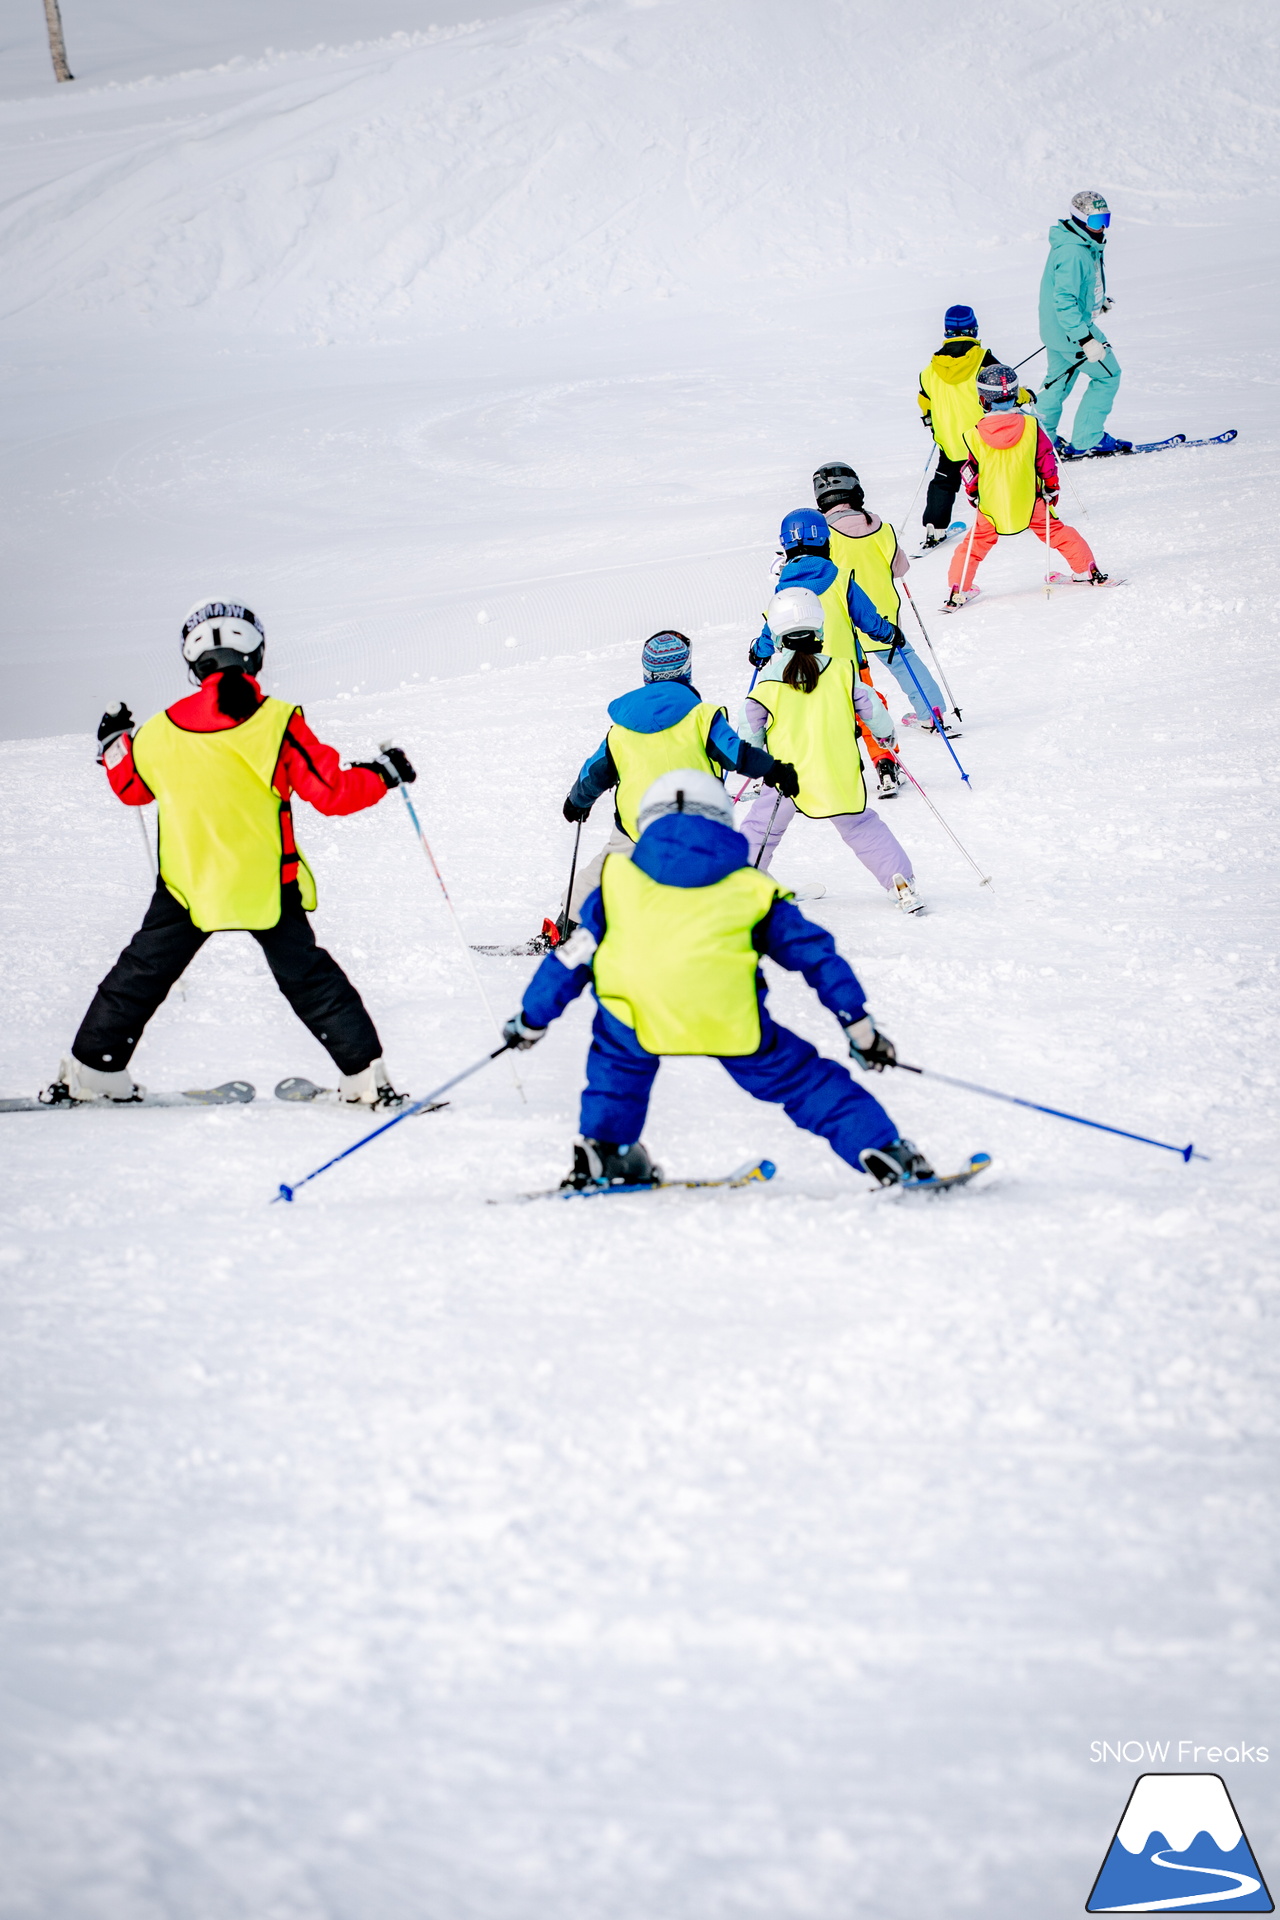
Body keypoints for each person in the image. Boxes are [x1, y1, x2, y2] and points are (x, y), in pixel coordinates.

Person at [48, 598, 417, 1107]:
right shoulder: (277, 722)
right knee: (310, 979)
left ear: (194, 664)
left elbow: (131, 788)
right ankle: (365, 1079)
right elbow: (333, 793)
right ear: (256, 656)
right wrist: (383, 773)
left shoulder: (159, 730)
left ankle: (93, 1072)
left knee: (142, 974)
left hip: (188, 886)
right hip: (265, 884)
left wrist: (115, 743)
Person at [502, 768, 936, 1191]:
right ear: (723, 820)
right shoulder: (751, 889)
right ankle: (883, 1149)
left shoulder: (615, 886)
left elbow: (570, 960)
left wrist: (530, 1021)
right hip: (727, 1016)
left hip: (634, 1015)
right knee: (802, 1080)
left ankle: (606, 1149)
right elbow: (816, 956)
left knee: (616, 1063)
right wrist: (859, 1027)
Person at [545, 628, 797, 941]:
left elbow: (594, 772)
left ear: (647, 673)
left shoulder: (621, 729)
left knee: (603, 871)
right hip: (696, 825)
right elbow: (737, 754)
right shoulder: (702, 717)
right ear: (686, 670)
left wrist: (577, 801)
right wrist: (774, 769)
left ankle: (565, 927)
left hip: (638, 826)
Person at [740, 587, 923, 913]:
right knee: (862, 826)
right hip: (837, 773)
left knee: (761, 828)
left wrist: (755, 761)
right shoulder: (842, 670)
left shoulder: (767, 682)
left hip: (786, 779)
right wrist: (886, 737)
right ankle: (901, 883)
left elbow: (750, 730)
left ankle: (743, 885)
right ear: (820, 628)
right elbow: (872, 709)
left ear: (778, 635)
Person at [752, 504, 956, 740]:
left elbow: (772, 629)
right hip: (847, 669)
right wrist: (890, 634)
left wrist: (759, 652)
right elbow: (868, 619)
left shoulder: (783, 590)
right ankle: (884, 756)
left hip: (802, 671)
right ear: (825, 541)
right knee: (865, 709)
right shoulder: (841, 578)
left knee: (820, 720)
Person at [944, 366, 1109, 609]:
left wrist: (973, 493)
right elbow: (1045, 460)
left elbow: (972, 470)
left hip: (991, 504)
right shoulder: (1031, 426)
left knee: (974, 545)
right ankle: (1087, 570)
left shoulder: (974, 434)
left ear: (983, 400)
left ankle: (958, 589)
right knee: (1057, 532)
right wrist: (1051, 487)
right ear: (1014, 396)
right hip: (1031, 499)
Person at [916, 307, 1034, 543]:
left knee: (944, 481)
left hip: (950, 440)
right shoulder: (983, 360)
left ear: (947, 332)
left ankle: (934, 529)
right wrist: (1026, 396)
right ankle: (1016, 514)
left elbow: (925, 401)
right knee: (998, 474)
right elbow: (1003, 388)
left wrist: (932, 422)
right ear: (974, 330)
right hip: (984, 438)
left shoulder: (930, 370)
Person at [1035, 190, 1131, 458]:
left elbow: (1073, 289)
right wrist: (1086, 339)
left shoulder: (1078, 241)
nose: (1102, 227)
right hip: (1072, 332)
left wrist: (1095, 303)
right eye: (1096, 220)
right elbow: (1064, 300)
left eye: (1106, 220)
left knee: (1057, 383)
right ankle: (1088, 438)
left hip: (1056, 330)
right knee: (1108, 375)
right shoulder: (1074, 252)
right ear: (1079, 218)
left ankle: (1041, 440)